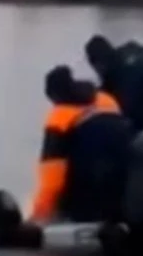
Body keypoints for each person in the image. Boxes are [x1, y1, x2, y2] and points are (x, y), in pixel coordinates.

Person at [28, 65, 135, 223]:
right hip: (126, 185)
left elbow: (52, 178)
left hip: (87, 195)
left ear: (55, 96)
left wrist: (38, 216)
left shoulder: (59, 118)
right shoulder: (106, 100)